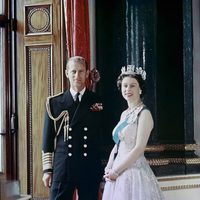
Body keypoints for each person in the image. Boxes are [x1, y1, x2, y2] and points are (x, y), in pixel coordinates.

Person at [42, 56, 104, 200]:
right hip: (63, 166)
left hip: (89, 165)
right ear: (66, 73)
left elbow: (102, 138)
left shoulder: (97, 101)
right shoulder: (54, 103)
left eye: (81, 71)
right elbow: (48, 138)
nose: (77, 76)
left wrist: (103, 171)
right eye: (73, 71)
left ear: (87, 73)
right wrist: (47, 170)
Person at [102, 65, 164, 200]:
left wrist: (116, 171)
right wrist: (109, 167)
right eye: (125, 86)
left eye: (132, 86)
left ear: (140, 89)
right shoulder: (124, 114)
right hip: (117, 171)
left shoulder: (144, 114)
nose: (127, 89)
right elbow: (117, 144)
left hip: (134, 172)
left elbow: (139, 149)